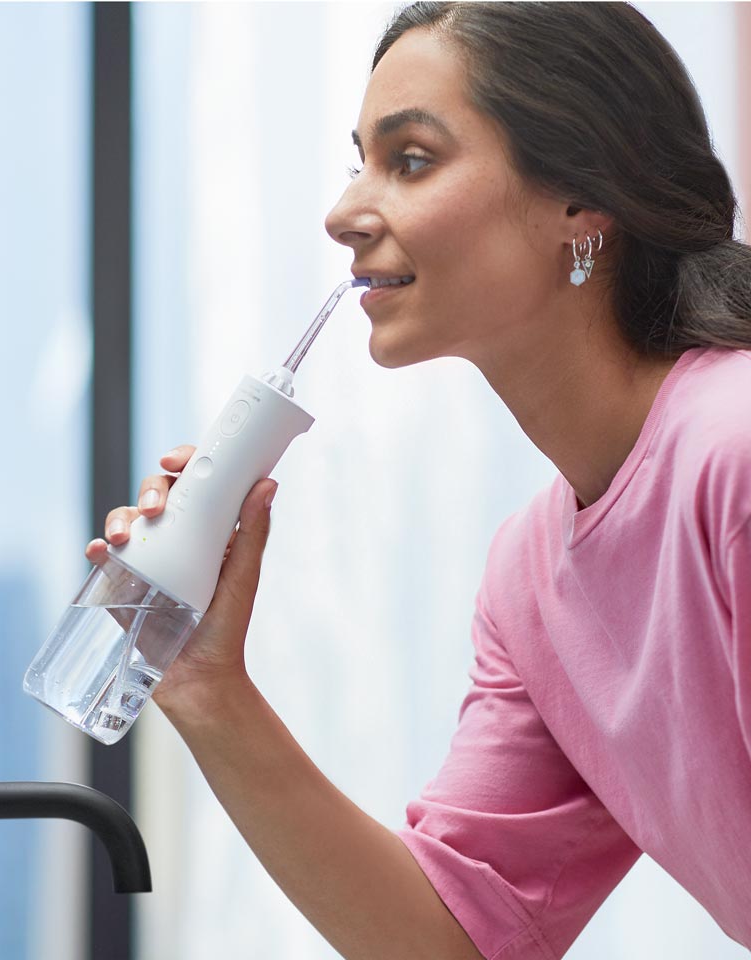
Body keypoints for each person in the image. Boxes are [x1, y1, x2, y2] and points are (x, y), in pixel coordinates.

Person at [86, 3, 751, 957]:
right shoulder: (535, 579)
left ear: (583, 202)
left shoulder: (734, 455)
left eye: (409, 160)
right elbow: (459, 940)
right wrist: (206, 686)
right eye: (356, 160)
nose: (343, 212)